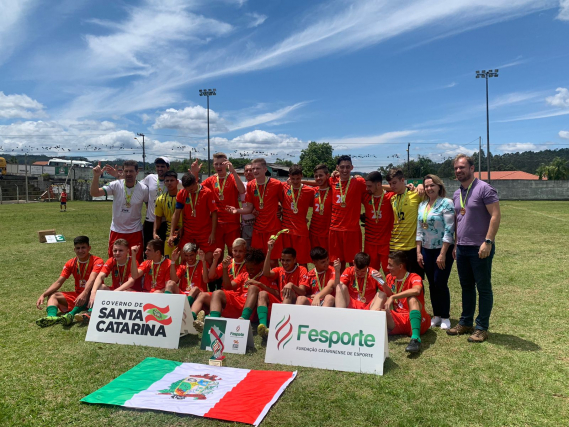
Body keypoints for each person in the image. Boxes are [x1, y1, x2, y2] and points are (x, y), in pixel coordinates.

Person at [448, 154, 501, 343]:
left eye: (462, 167)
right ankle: (466, 322)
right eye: (456, 168)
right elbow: (458, 220)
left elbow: (495, 215)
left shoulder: (484, 189)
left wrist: (488, 241)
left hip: (480, 248)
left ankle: (481, 327)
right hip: (462, 247)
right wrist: (456, 244)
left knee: (483, 288)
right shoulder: (456, 193)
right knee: (466, 287)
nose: (458, 171)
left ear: (472, 169)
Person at [194, 248, 277, 332]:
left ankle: (244, 320)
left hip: (253, 309)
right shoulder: (244, 274)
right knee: (217, 293)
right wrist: (225, 269)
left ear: (261, 265)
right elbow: (228, 286)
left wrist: (260, 284)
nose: (249, 271)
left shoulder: (268, 277)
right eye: (247, 268)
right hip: (239, 303)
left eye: (252, 269)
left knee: (253, 288)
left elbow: (277, 295)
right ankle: (212, 322)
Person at [226, 158, 284, 267]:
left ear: (265, 169)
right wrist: (236, 210)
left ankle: (273, 284)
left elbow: (283, 202)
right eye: (253, 169)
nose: (255, 171)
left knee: (272, 261)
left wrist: (280, 210)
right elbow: (249, 208)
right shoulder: (250, 185)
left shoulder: (276, 184)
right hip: (258, 229)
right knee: (257, 260)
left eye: (258, 168)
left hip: (273, 228)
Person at [35, 236, 104, 327]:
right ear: (74, 249)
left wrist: (84, 292)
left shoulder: (97, 261)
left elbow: (92, 278)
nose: (80, 251)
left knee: (90, 292)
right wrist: (44, 294)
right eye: (78, 248)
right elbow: (59, 282)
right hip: (78, 295)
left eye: (83, 247)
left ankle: (71, 314)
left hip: (93, 295)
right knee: (53, 295)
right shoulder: (71, 263)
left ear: (89, 248)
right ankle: (51, 317)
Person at [90, 160, 149, 265]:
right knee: (115, 262)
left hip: (135, 232)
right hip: (117, 230)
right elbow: (94, 193)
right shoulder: (115, 185)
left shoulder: (143, 189)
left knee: (135, 263)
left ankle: (135, 282)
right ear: (123, 172)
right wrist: (96, 177)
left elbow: (149, 208)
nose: (128, 174)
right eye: (126, 171)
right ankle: (117, 282)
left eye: (131, 171)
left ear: (137, 172)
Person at [416, 174, 455, 330]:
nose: (429, 188)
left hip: (442, 249)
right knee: (432, 284)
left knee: (440, 282)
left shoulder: (447, 203)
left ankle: (445, 316)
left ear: (439, 186)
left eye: (432, 185)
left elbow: (449, 229)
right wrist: (418, 252)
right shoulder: (423, 205)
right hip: (426, 249)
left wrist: (443, 253)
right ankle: (436, 315)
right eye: (426, 186)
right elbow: (419, 229)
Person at [382, 251, 432, 353]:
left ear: (400, 266)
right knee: (379, 311)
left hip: (417, 319)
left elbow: (416, 290)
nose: (387, 267)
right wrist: (380, 281)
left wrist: (393, 297)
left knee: (412, 298)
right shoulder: (389, 278)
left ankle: (415, 339)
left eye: (390, 265)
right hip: (399, 318)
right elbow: (388, 293)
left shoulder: (414, 277)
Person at [192, 238, 249, 322]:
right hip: (223, 297)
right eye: (235, 250)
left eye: (240, 251)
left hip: (238, 299)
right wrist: (215, 259)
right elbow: (211, 276)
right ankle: (190, 318)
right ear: (231, 250)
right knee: (202, 295)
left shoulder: (248, 266)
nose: (237, 254)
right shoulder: (228, 262)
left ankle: (212, 321)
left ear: (245, 251)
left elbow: (229, 287)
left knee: (217, 293)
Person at [169, 172, 218, 266]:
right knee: (184, 257)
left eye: (191, 189)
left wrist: (213, 233)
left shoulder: (207, 192)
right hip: (188, 232)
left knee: (208, 259)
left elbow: (214, 213)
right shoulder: (182, 193)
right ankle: (185, 279)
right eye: (187, 190)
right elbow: (176, 213)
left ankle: (207, 279)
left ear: (196, 182)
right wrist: (171, 234)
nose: (190, 192)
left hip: (205, 232)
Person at [202, 153, 246, 257]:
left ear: (226, 164)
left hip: (232, 222)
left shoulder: (233, 176)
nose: (218, 167)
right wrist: (195, 174)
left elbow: (242, 190)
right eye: (216, 164)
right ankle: (219, 273)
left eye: (221, 164)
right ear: (213, 165)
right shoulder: (210, 180)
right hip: (217, 222)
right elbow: (197, 189)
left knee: (233, 251)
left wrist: (233, 171)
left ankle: (233, 272)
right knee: (218, 252)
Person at [329, 155, 367, 271]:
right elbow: (316, 183)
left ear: (352, 167)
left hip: (352, 231)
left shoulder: (359, 181)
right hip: (335, 230)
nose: (345, 170)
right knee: (337, 266)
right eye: (342, 167)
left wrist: (407, 187)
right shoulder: (332, 180)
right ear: (337, 168)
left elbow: (377, 187)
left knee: (354, 265)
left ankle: (354, 288)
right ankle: (337, 288)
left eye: (347, 167)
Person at [386, 168, 424, 278]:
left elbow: (433, 191)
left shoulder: (416, 195)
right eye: (390, 184)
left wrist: (421, 186)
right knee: (397, 280)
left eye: (394, 183)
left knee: (415, 279)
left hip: (411, 247)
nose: (392, 186)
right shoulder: (392, 198)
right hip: (395, 245)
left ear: (403, 180)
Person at [280, 165, 315, 265]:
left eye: (298, 178)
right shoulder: (283, 186)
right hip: (286, 231)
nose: (295, 181)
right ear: (289, 176)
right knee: (288, 262)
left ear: (302, 176)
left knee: (303, 262)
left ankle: (304, 280)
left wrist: (304, 182)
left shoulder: (309, 191)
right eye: (293, 178)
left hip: (301, 232)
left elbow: (323, 183)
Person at [362, 171, 394, 274]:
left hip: (386, 243)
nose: (367, 189)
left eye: (370, 186)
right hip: (369, 243)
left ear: (379, 184)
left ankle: (389, 290)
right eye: (366, 186)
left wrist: (419, 185)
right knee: (371, 273)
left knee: (388, 272)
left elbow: (401, 188)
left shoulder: (390, 197)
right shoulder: (366, 196)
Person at [262, 238, 308, 306]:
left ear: (295, 260)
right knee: (262, 294)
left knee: (288, 292)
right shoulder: (279, 269)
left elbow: (303, 292)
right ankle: (248, 316)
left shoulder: (301, 270)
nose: (284, 263)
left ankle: (282, 315)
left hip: (296, 302)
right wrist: (269, 251)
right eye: (282, 260)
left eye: (288, 260)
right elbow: (266, 273)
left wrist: (292, 285)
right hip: (281, 301)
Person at [154, 170, 182, 258]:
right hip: (170, 234)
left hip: (186, 231)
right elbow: (158, 218)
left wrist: (183, 228)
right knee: (169, 261)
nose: (169, 183)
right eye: (167, 181)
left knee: (186, 260)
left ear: (177, 182)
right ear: (164, 182)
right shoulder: (160, 199)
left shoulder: (184, 196)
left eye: (172, 180)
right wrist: (154, 232)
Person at [308, 164, 332, 253]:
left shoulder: (333, 191)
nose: (318, 178)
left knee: (329, 261)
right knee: (316, 260)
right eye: (316, 176)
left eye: (321, 175)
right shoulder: (312, 191)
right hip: (313, 233)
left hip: (328, 233)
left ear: (327, 175)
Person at [240, 163, 256, 247]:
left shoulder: (261, 185)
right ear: (244, 173)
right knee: (246, 251)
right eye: (247, 170)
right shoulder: (242, 185)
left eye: (251, 170)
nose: (249, 172)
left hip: (258, 224)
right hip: (245, 224)